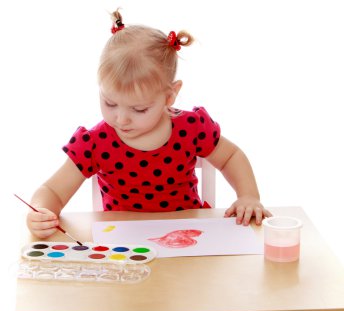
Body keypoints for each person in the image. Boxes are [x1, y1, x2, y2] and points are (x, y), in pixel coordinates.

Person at [27, 9, 272, 238]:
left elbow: (231, 156)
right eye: (109, 103)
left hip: (190, 239)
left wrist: (248, 196)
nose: (120, 119)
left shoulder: (191, 127)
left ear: (170, 95)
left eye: (139, 109)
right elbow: (53, 191)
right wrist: (39, 211)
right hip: (123, 248)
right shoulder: (94, 142)